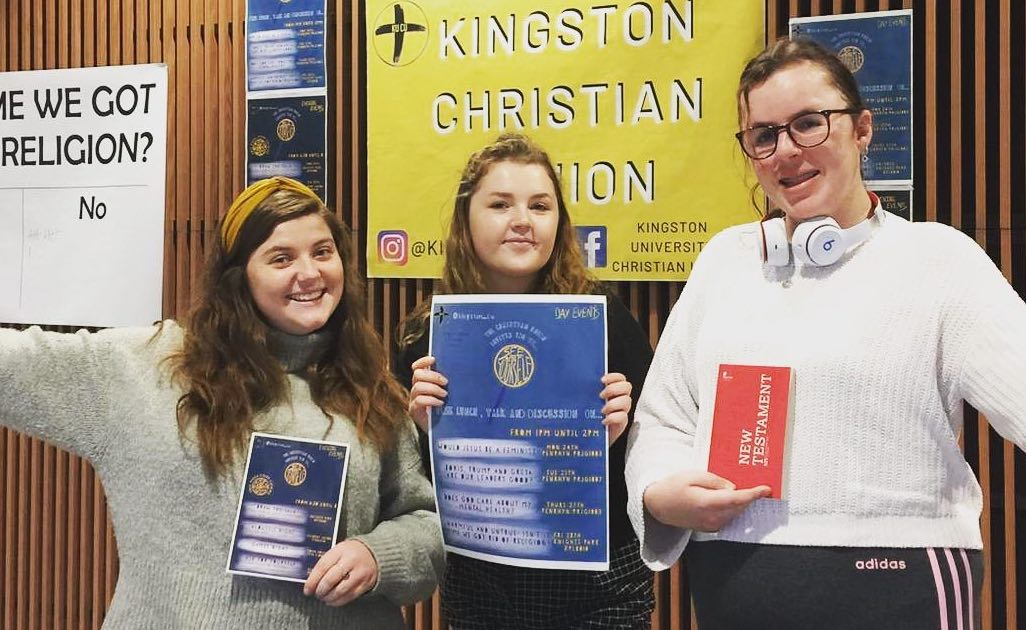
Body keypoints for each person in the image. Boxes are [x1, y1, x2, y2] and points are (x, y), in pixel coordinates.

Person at [624, 37, 1026, 630]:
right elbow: (663, 418)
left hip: (897, 586)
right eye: (764, 135)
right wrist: (660, 492)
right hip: (729, 583)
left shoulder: (938, 260)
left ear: (862, 129)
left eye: (809, 123)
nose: (786, 150)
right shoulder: (725, 261)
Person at [0, 176, 444, 629]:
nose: (310, 273)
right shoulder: (143, 366)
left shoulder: (368, 388)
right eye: (281, 258)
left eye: (322, 252)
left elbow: (424, 524)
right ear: (238, 277)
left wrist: (377, 555)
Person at [394, 132, 655, 629]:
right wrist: (426, 433)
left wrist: (617, 438)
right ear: (465, 220)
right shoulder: (427, 335)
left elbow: (659, 449)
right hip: (480, 582)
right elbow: (404, 485)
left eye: (539, 206)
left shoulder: (603, 318)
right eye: (499, 205)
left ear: (559, 221)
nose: (522, 221)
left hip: (599, 584)